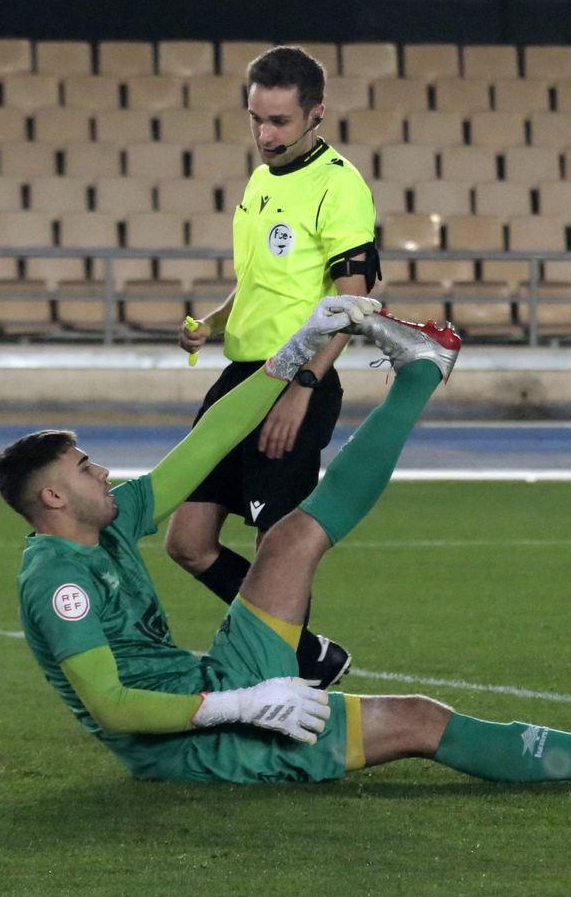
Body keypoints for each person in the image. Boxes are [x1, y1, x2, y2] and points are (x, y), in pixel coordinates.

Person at [0, 299, 571, 785]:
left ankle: (421, 368)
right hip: (199, 745)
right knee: (422, 721)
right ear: (54, 498)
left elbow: (212, 436)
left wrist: (298, 347)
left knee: (290, 536)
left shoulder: (112, 519)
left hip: (210, 685)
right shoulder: (58, 584)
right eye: (85, 467)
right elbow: (112, 706)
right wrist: (244, 705)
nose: (104, 470)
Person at [169, 45, 381, 688]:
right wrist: (216, 320)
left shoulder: (340, 187)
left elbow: (356, 302)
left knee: (277, 549)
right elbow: (264, 281)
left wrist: (304, 387)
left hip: (295, 379)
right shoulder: (263, 179)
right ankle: (304, 653)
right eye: (255, 118)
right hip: (241, 377)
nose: (265, 135)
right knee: (188, 540)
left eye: (280, 122)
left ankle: (284, 683)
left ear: (315, 113)